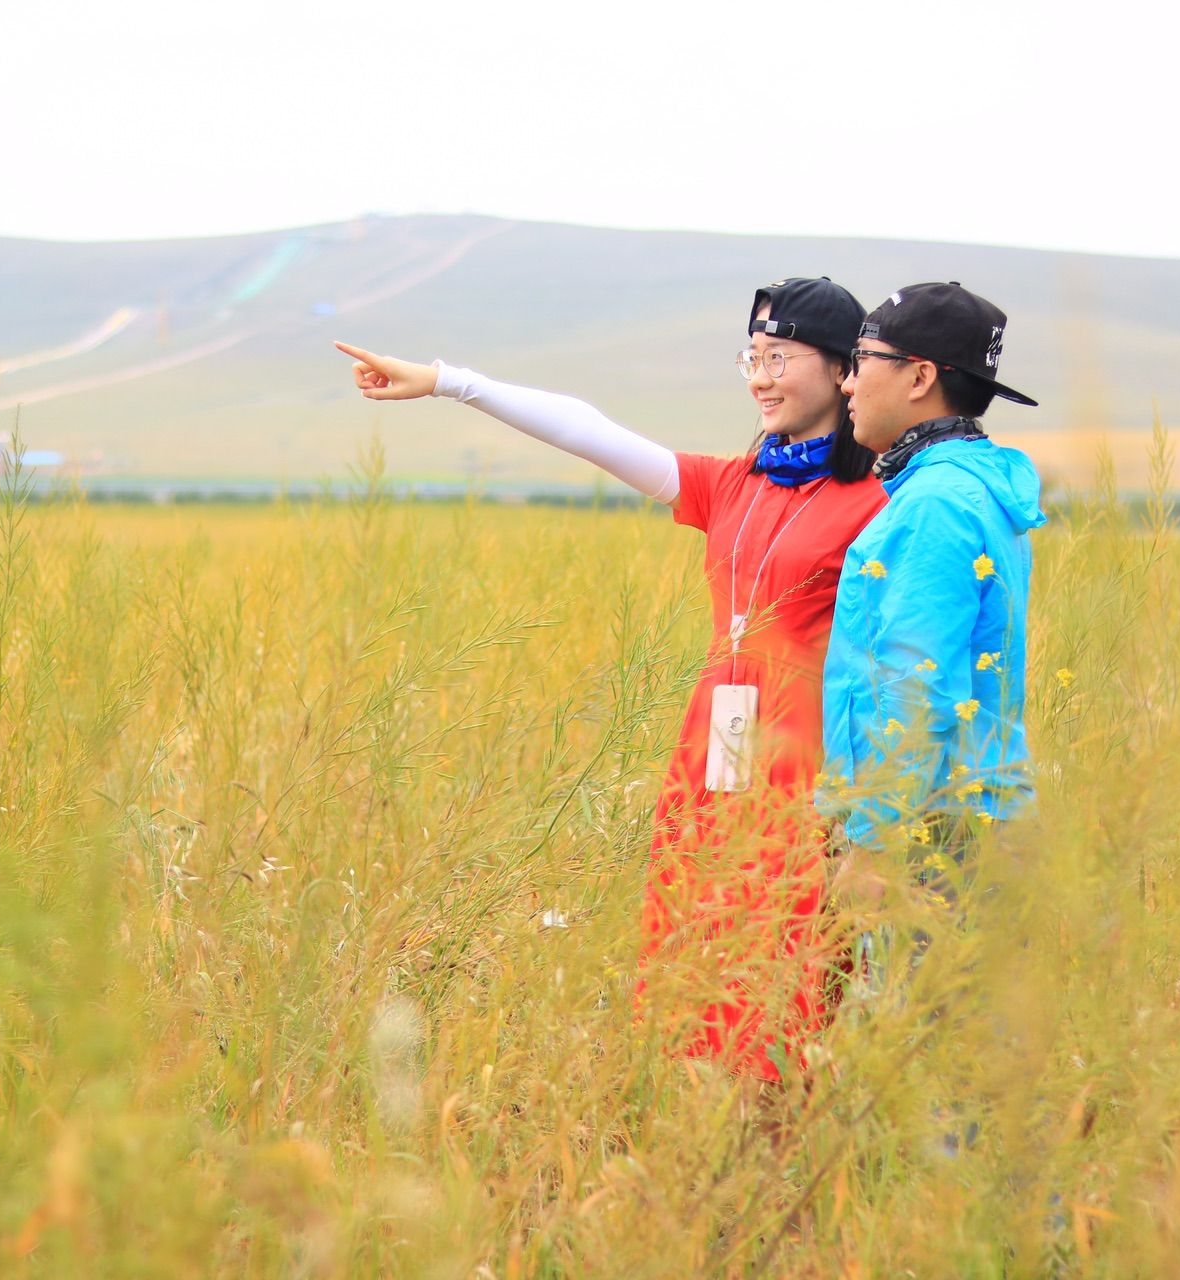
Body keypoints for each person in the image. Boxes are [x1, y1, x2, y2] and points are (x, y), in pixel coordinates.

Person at [335, 277, 888, 1081]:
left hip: (809, 767)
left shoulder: (882, 498)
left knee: (793, 972)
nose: (761, 376)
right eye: (753, 357)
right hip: (710, 762)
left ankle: (791, 1144)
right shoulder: (731, 484)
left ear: (844, 370)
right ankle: (705, 1135)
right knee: (698, 957)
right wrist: (453, 383)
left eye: (781, 356)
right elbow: (590, 433)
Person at [820, 281, 1046, 893]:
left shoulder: (935, 504)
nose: (846, 383)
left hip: (936, 835)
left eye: (862, 360)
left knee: (918, 992)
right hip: (965, 819)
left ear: (919, 378)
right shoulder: (970, 489)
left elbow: (917, 689)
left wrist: (874, 843)